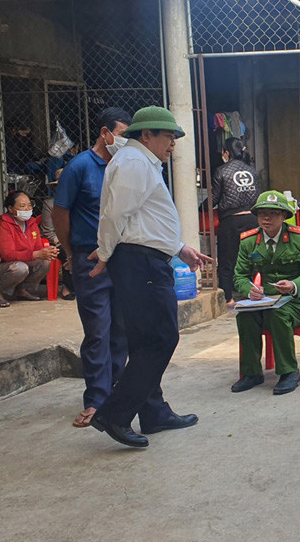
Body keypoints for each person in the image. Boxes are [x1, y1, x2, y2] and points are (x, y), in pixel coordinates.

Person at [88, 106, 212, 448]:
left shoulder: (140, 163)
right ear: (147, 135)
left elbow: (145, 221)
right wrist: (105, 253)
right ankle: (114, 414)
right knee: (161, 339)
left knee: (145, 342)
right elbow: (115, 216)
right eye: (168, 136)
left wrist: (179, 248)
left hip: (144, 259)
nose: (172, 144)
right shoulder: (134, 164)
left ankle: (154, 412)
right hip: (139, 264)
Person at [52, 107, 131, 428]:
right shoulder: (80, 167)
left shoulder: (125, 166)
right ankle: (97, 400)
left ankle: (120, 392)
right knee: (98, 330)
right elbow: (61, 214)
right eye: (122, 135)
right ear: (105, 133)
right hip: (88, 256)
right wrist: (70, 251)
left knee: (122, 328)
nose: (125, 142)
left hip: (123, 257)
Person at [231, 191, 300, 395]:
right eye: (262, 214)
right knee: (244, 316)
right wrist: (249, 290)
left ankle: (288, 372)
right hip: (266, 299)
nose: (266, 218)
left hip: (298, 300)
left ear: (284, 216)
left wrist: (294, 285)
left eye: (273, 213)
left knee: (277, 314)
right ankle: (251, 373)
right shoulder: (249, 241)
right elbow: (239, 276)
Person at [0, 191, 59, 307]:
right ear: (11, 209)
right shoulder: (3, 226)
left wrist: (48, 252)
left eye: (29, 205)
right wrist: (37, 254)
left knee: (45, 262)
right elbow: (8, 255)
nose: (27, 209)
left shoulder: (31, 224)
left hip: (20, 264)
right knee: (20, 268)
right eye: (22, 206)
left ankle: (22, 290)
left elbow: (38, 248)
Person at [210, 136, 260, 308]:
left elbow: (214, 198)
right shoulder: (252, 171)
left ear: (226, 152)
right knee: (254, 257)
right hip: (252, 220)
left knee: (227, 260)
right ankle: (256, 292)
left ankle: (229, 298)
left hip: (231, 221)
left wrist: (200, 209)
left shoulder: (221, 171)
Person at [40, 169, 74, 300]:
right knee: (67, 251)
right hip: (58, 240)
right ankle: (68, 287)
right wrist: (64, 241)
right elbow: (47, 231)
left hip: (78, 238)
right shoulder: (49, 204)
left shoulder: (80, 201)